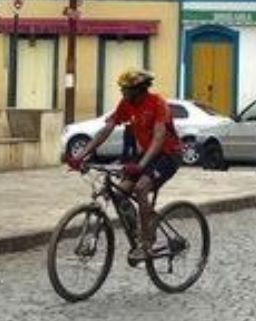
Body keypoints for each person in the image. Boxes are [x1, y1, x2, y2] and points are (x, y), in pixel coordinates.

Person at [68, 69, 183, 264]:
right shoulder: (126, 104)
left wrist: (141, 166)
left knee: (140, 188)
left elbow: (158, 138)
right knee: (120, 193)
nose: (122, 93)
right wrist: (81, 155)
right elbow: (107, 128)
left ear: (139, 89)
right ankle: (138, 232)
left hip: (168, 155)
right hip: (146, 154)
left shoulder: (157, 103)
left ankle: (147, 242)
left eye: (126, 90)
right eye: (121, 89)